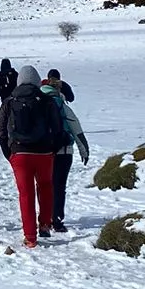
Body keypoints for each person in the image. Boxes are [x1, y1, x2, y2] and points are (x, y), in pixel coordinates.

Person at [0, 63, 64, 246]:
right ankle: (44, 225)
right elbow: (58, 128)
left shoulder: (9, 101)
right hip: (44, 152)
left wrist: (8, 152)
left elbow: (1, 129)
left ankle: (30, 238)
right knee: (46, 187)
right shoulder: (46, 100)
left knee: (25, 194)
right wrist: (53, 149)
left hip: (19, 153)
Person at [41, 69, 91, 231]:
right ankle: (56, 219)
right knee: (59, 186)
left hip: (43, 151)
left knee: (44, 185)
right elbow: (76, 128)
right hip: (64, 151)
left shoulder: (37, 103)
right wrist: (84, 150)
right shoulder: (62, 105)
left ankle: (44, 218)